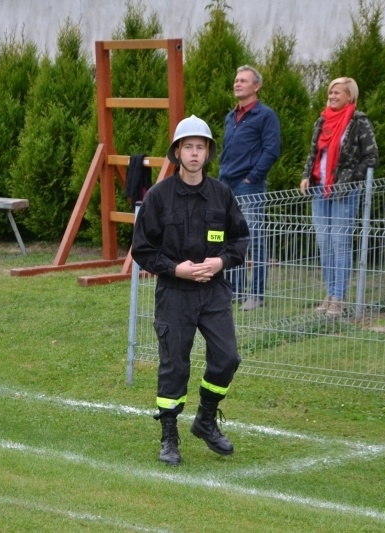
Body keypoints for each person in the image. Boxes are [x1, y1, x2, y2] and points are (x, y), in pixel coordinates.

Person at [131, 115, 250, 466]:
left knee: (227, 357)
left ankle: (206, 419)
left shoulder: (222, 194)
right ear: (177, 152)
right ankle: (169, 435)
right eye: (188, 147)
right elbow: (142, 248)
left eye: (201, 147)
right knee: (174, 365)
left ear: (207, 153)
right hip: (174, 293)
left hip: (213, 291)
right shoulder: (158, 197)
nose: (195, 153)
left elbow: (239, 239)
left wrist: (220, 263)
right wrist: (175, 269)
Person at [299, 77, 378, 317]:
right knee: (325, 243)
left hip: (344, 191)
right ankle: (329, 294)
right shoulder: (323, 120)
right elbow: (314, 152)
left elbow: (371, 156)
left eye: (337, 93)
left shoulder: (358, 121)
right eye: (330, 92)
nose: (332, 96)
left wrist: (351, 178)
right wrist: (306, 175)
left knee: (340, 243)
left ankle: (339, 298)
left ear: (349, 96)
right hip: (320, 189)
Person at [218, 65, 281, 311]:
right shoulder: (230, 116)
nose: (237, 83)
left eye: (243, 80)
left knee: (255, 238)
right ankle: (234, 291)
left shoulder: (265, 116)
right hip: (226, 184)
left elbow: (272, 150)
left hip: (249, 186)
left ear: (256, 86)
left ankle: (256, 294)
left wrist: (251, 177)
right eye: (236, 80)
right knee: (230, 239)